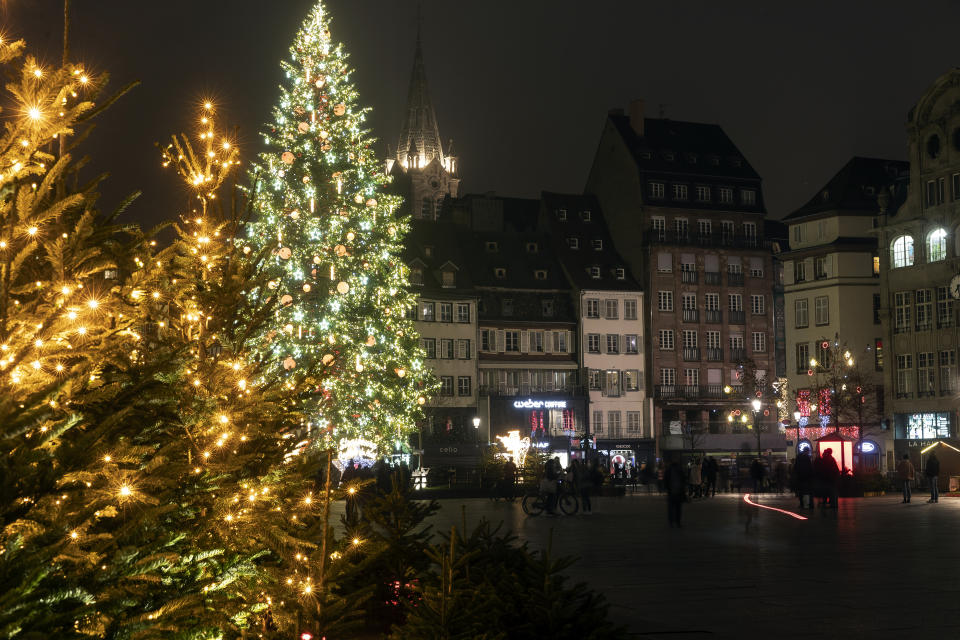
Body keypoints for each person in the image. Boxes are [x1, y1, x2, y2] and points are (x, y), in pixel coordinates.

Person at [664, 456, 687, 527]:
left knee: (672, 508)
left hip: (672, 491)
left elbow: (666, 480)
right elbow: (683, 480)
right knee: (677, 508)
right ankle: (677, 522)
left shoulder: (669, 470)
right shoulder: (680, 470)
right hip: (677, 491)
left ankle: (672, 522)